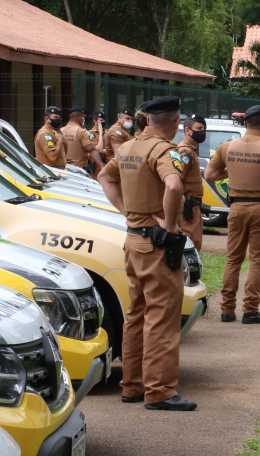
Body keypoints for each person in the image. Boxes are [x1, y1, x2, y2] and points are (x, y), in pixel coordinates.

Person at [97, 95, 197, 412]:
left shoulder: (128, 147)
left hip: (134, 241)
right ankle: (159, 391)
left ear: (149, 120)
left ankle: (132, 385)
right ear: (175, 122)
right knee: (162, 318)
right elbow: (173, 186)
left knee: (136, 315)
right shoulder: (164, 150)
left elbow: (104, 177)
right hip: (156, 245)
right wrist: (170, 223)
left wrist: (127, 212)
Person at [204, 105, 260, 325]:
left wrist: (233, 170)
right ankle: (250, 310)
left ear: (245, 123)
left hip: (236, 209)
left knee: (233, 259)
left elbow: (209, 174)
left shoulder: (227, 147)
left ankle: (227, 310)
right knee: (257, 261)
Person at [178, 114, 207, 250]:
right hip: (188, 209)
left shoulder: (191, 150)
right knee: (190, 246)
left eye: (204, 128)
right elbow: (178, 177)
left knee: (195, 244)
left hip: (194, 208)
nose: (202, 131)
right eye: (199, 128)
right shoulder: (185, 151)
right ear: (187, 130)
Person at [62, 105, 104, 178]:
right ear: (80, 118)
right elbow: (92, 150)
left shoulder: (60, 131)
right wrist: (102, 165)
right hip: (78, 171)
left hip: (63, 170)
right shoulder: (81, 132)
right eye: (83, 117)